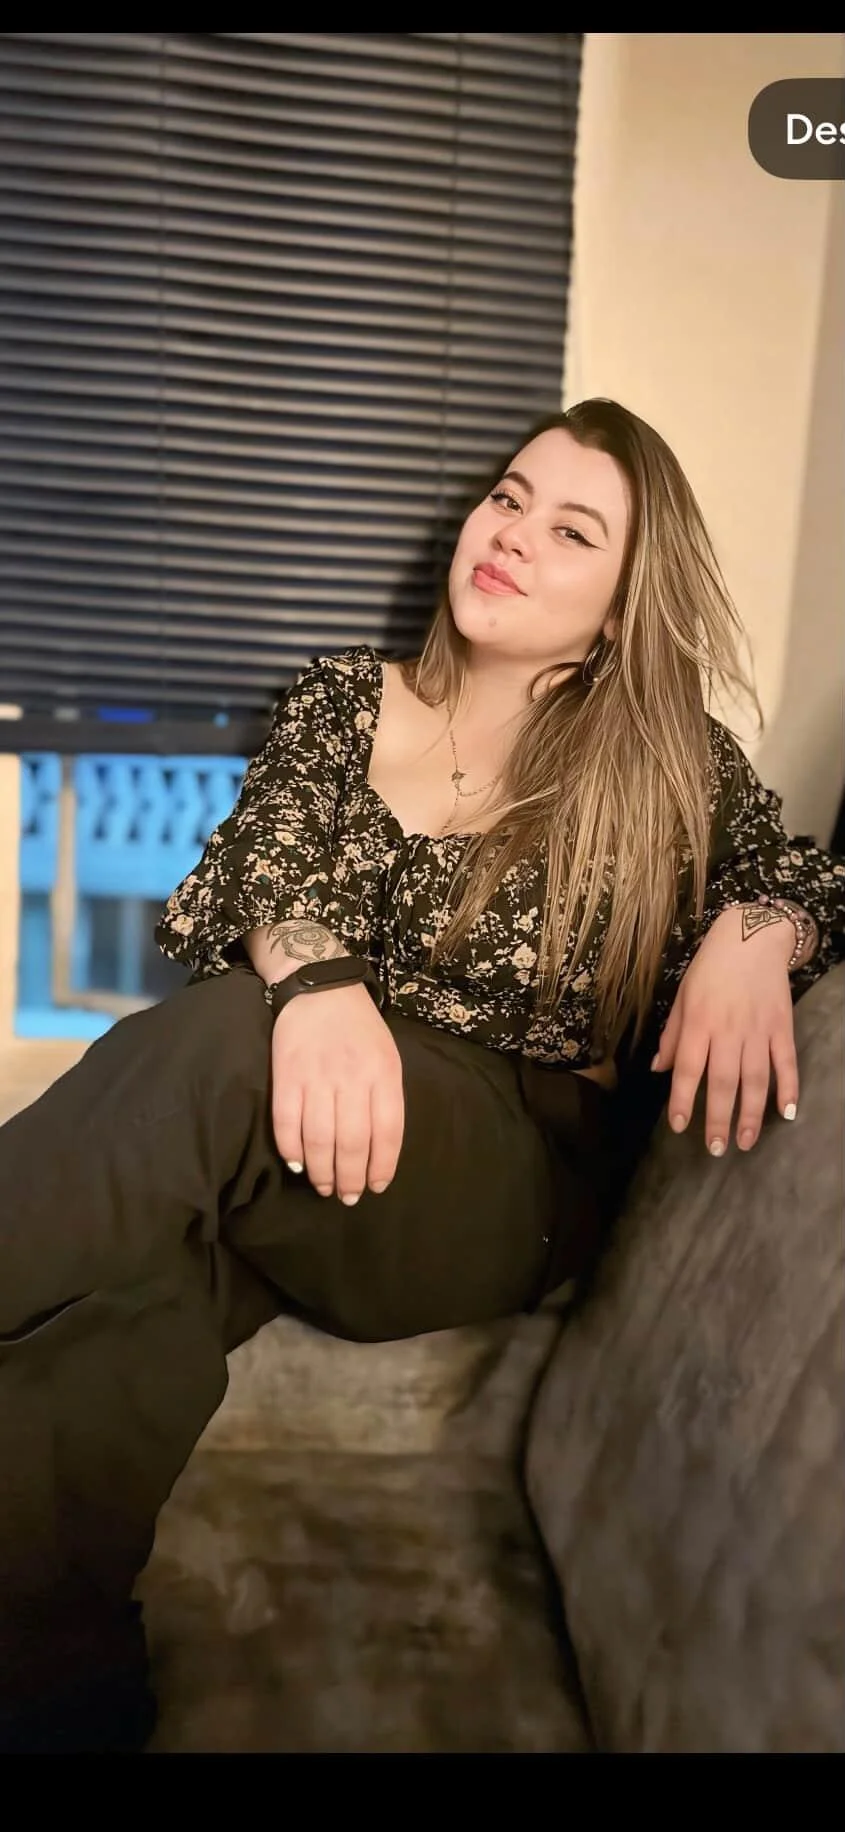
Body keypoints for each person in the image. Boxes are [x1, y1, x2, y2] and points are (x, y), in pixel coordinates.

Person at [1, 399, 844, 1753]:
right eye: (509, 497)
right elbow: (270, 863)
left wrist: (757, 932)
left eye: (572, 531)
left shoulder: (662, 761)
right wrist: (320, 986)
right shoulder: (345, 699)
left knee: (222, 1041)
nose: (511, 534)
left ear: (618, 613)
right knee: (136, 1303)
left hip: (507, 1181)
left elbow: (810, 878)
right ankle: (56, 1687)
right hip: (315, 1144)